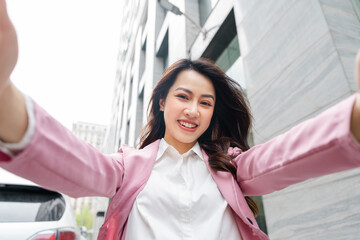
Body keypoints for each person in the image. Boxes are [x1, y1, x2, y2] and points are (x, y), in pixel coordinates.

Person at [0, 1, 360, 239]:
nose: (193, 110)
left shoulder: (231, 166)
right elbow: (75, 165)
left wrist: (355, 117)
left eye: (205, 103)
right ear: (160, 102)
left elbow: (289, 156)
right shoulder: (127, 168)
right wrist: (5, 97)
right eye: (183, 97)